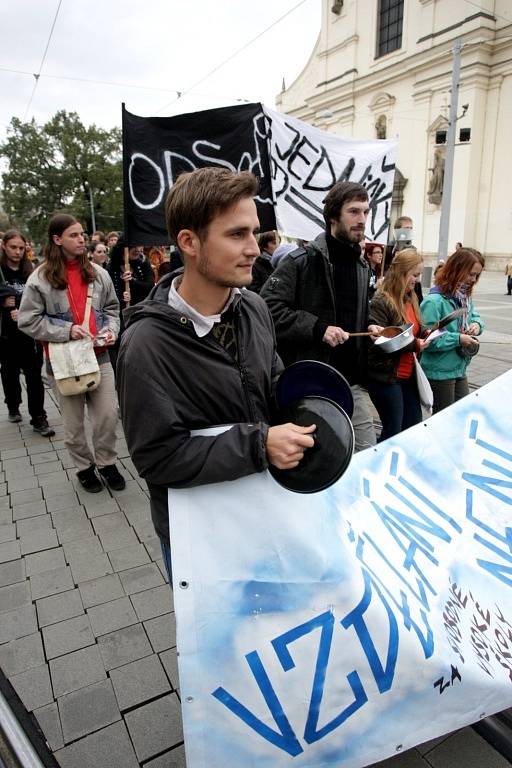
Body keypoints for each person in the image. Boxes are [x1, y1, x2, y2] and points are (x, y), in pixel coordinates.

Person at [116, 167, 315, 581]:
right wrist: (260, 444)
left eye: (254, 233)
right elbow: (158, 457)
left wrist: (309, 404)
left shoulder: (254, 307)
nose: (254, 249)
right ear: (189, 242)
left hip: (262, 511)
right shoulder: (146, 345)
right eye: (236, 234)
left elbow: (270, 380)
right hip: (200, 537)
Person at [261, 181, 382, 452]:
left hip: (352, 383)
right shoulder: (301, 261)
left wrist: (369, 326)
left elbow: (354, 316)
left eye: (365, 212)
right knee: (319, 461)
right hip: (311, 383)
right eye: (353, 211)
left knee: (366, 453)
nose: (362, 219)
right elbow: (267, 309)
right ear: (332, 217)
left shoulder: (362, 266)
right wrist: (318, 329)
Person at [18, 213, 126, 493]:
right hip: (63, 362)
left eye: (83, 234)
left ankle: (107, 462)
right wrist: (66, 331)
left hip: (99, 356)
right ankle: (84, 467)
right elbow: (27, 320)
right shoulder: (39, 279)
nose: (82, 239)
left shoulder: (98, 273)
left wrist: (111, 329)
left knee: (107, 416)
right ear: (57, 239)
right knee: (74, 425)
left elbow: (113, 309)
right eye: (74, 235)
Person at [367, 249, 428, 441]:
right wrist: (415, 344)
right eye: (414, 275)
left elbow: (415, 328)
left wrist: (427, 333)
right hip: (386, 376)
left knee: (413, 425)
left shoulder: (411, 297)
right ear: (401, 273)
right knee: (393, 430)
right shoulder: (382, 300)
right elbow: (384, 341)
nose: (417, 280)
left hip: (408, 374)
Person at [0, 230, 55, 436]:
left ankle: (39, 417)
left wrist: (20, 306)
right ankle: (13, 405)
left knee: (33, 377)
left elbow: (41, 295)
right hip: (6, 336)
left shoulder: (30, 271)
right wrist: (3, 300)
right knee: (10, 375)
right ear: (4, 246)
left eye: (21, 248)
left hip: (30, 335)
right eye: (13, 247)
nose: (17, 252)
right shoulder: (1, 270)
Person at [420, 247, 484, 413]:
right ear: (456, 269)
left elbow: (475, 316)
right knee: (445, 418)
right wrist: (458, 339)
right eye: (470, 274)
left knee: (463, 414)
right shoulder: (434, 301)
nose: (473, 279)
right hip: (439, 371)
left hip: (458, 366)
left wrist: (477, 325)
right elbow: (429, 340)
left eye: (477, 275)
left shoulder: (464, 297)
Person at [107, 237, 154, 372]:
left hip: (141, 313)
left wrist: (132, 281)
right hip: (121, 316)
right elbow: (110, 295)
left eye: (140, 246)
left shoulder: (143, 264)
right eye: (135, 246)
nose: (139, 250)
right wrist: (122, 298)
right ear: (123, 248)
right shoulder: (112, 268)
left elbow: (149, 286)